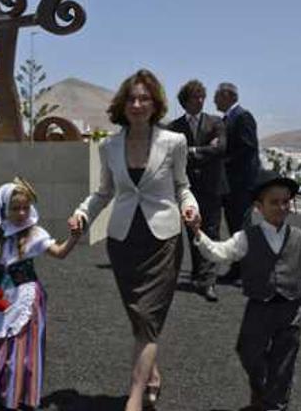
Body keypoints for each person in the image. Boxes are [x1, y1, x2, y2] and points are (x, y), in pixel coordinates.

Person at [68, 69, 199, 411]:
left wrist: (190, 208)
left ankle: (135, 397)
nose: (138, 104)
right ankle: (152, 374)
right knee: (139, 318)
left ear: (155, 104)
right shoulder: (109, 146)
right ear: (122, 104)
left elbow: (183, 186)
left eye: (145, 98)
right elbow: (103, 192)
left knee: (149, 317)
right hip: (124, 241)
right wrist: (82, 214)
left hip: (163, 240)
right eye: (132, 98)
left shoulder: (174, 142)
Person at [188, 170, 301, 411]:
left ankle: (274, 404)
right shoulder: (246, 237)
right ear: (259, 206)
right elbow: (219, 252)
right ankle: (262, 391)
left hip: (291, 309)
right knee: (248, 351)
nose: (281, 207)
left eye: (285, 202)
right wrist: (198, 234)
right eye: (274, 202)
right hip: (259, 307)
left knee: (284, 361)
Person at [0, 178, 80, 410]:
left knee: (22, 349)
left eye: (25, 207)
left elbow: (60, 252)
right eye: (16, 208)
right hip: (2, 296)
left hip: (27, 297)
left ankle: (17, 395)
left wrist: (74, 236)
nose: (22, 212)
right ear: (4, 208)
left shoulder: (34, 234)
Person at [167, 79, 228, 302]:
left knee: (211, 232)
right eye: (195, 97)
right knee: (193, 230)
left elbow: (220, 148)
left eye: (202, 96)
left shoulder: (216, 123)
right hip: (187, 189)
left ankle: (208, 282)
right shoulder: (173, 128)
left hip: (212, 188)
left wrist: (190, 151)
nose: (200, 100)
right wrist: (203, 150)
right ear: (185, 101)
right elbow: (173, 155)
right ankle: (197, 274)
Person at [214, 82, 260, 283]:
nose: (214, 100)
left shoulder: (243, 117)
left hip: (241, 184)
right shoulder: (228, 119)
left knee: (240, 226)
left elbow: (247, 148)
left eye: (217, 96)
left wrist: (222, 161)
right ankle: (241, 268)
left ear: (228, 96)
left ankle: (242, 270)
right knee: (235, 226)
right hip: (231, 184)